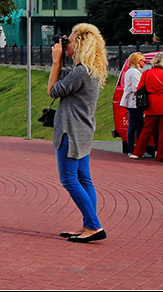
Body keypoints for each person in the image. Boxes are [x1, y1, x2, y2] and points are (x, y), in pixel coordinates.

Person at [49, 23, 108, 243]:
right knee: (84, 179)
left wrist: (56, 60)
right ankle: (88, 224)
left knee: (69, 179)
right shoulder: (89, 71)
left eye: (71, 41)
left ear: (80, 45)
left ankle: (94, 225)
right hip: (83, 130)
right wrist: (61, 59)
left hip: (70, 131)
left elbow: (53, 90)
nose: (67, 44)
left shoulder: (82, 72)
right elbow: (65, 80)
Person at [131, 54, 163, 162]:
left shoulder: (146, 73)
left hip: (151, 104)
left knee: (146, 130)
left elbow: (139, 87)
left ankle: (137, 152)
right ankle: (161, 156)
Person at [119, 52, 147, 155]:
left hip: (132, 102)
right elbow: (136, 88)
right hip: (134, 102)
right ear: (138, 61)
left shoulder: (130, 71)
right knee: (136, 126)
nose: (145, 63)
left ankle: (134, 149)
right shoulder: (134, 72)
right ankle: (134, 150)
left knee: (135, 125)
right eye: (143, 61)